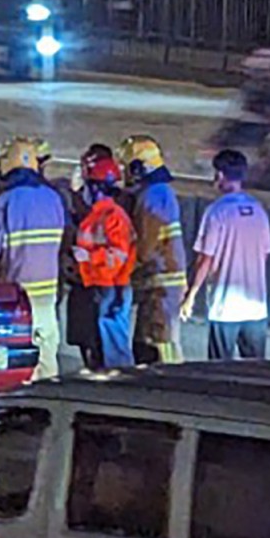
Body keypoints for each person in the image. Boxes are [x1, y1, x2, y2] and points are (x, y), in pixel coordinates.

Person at [0, 137, 65, 379]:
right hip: (48, 295)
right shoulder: (53, 199)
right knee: (47, 358)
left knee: (20, 363)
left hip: (18, 296)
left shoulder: (7, 201)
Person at [182, 150, 270, 361]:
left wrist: (191, 294)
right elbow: (265, 254)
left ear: (220, 175)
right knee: (257, 370)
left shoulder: (217, 212)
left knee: (220, 369)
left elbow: (206, 259)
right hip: (256, 307)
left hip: (225, 307)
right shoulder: (259, 211)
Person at [117, 135, 187, 364]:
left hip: (160, 284)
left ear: (138, 168)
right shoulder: (161, 192)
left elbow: (145, 247)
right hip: (162, 283)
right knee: (146, 341)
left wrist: (121, 272)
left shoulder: (152, 196)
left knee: (159, 342)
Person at [74, 156, 136, 368]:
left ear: (97, 187)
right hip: (100, 286)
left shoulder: (112, 216)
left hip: (112, 287)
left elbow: (119, 254)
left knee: (114, 353)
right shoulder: (97, 215)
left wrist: (89, 257)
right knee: (101, 349)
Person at [63, 143, 114, 369]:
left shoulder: (110, 200)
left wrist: (74, 196)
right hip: (85, 275)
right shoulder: (91, 193)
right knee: (83, 331)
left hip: (98, 276)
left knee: (95, 332)